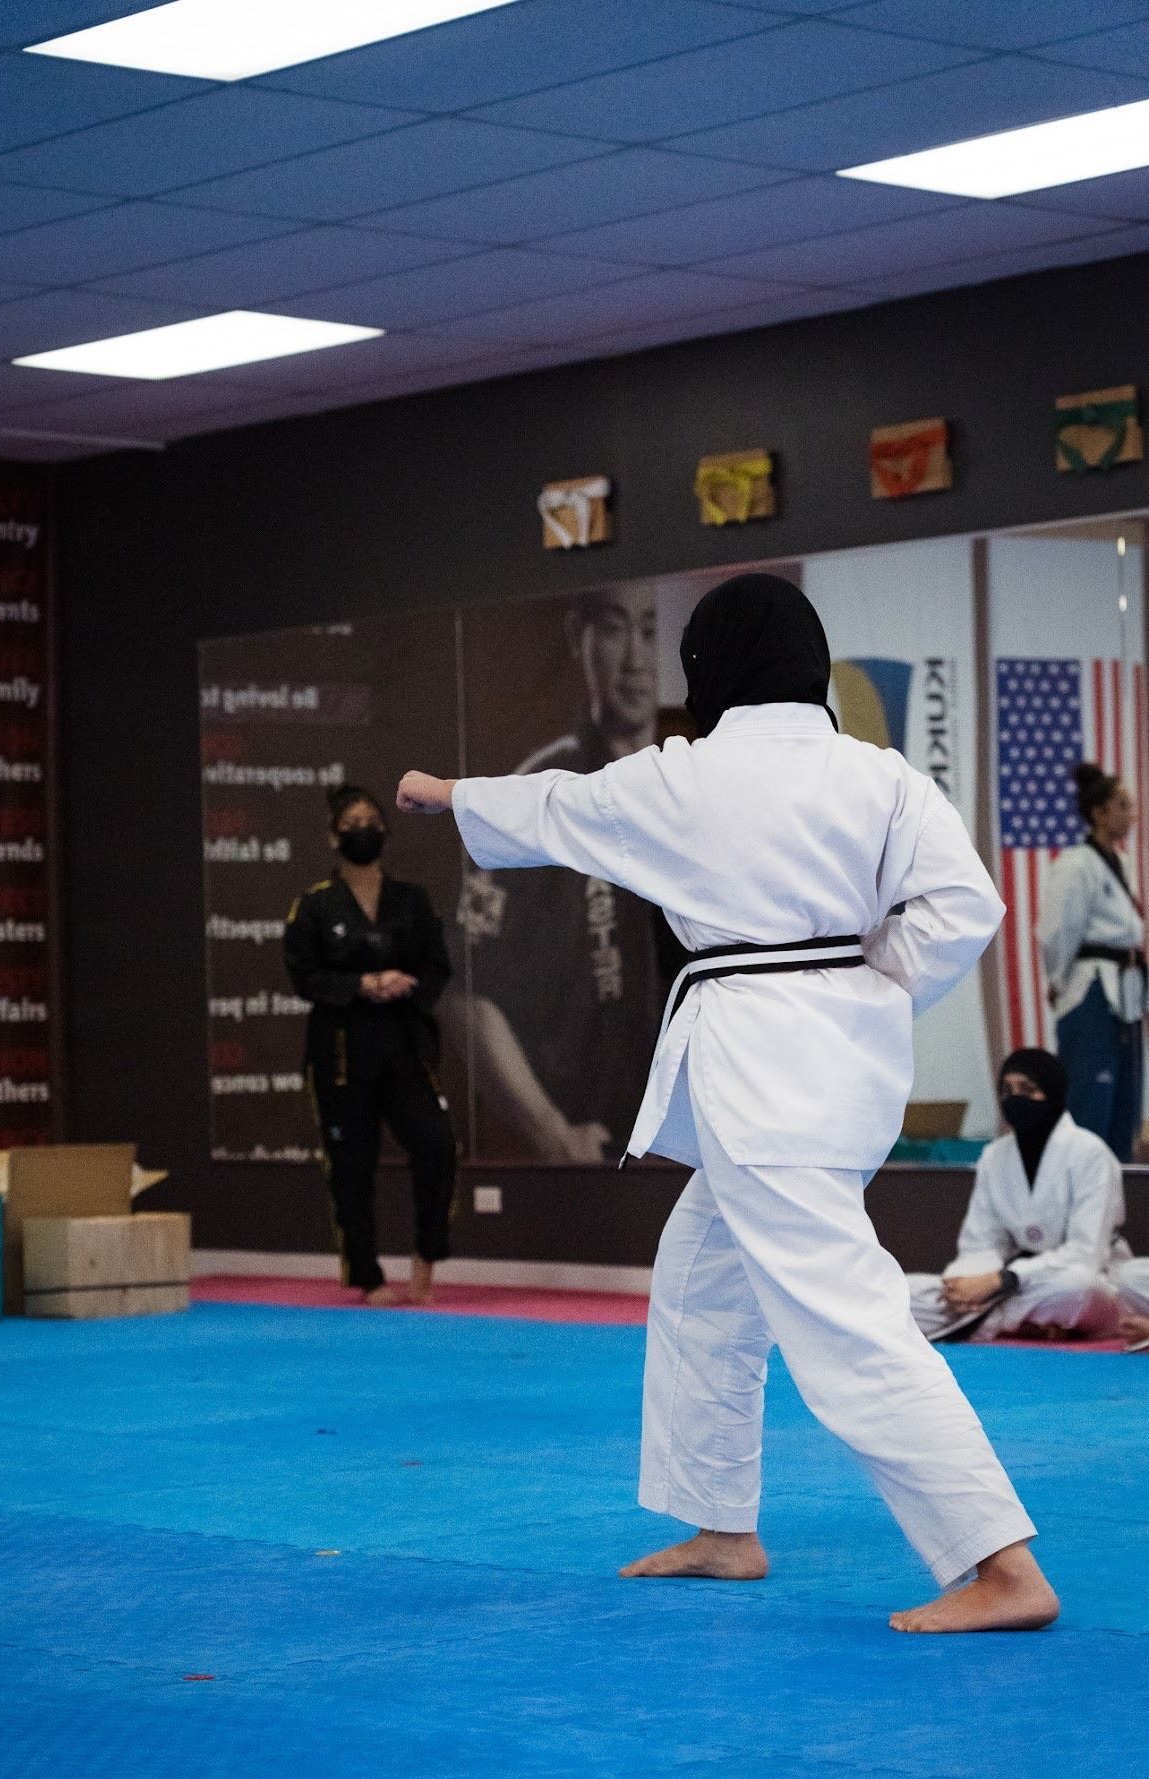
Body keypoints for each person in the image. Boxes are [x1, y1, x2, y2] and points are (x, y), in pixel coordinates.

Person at [397, 572, 1057, 1636]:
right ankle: (720, 1525)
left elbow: (565, 806)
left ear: (709, 671)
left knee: (844, 1319)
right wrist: (872, 978)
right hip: (841, 1062)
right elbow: (964, 908)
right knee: (704, 1283)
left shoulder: (686, 775)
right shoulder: (877, 774)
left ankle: (999, 1560)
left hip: (760, 1071)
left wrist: (448, 792)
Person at [455, 585, 667, 1162]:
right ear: (580, 639)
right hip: (592, 1151)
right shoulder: (541, 791)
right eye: (615, 629)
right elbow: (467, 993)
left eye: (649, 630)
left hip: (685, 1144)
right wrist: (551, 1133)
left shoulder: (690, 784)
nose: (636, 659)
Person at [284, 785, 456, 1307]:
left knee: (436, 1147)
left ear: (385, 831)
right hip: (341, 1052)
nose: (363, 828)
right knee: (351, 1164)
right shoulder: (314, 905)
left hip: (403, 1045)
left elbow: (437, 967)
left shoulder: (411, 900)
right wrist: (361, 985)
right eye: (352, 821)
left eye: (371, 819)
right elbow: (304, 974)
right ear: (334, 837)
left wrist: (406, 985)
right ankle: (368, 1275)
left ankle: (426, 1260)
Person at [908, 1048, 1126, 1344]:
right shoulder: (995, 1156)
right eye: (1007, 1091)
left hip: (1080, 1280)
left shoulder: (1090, 1153)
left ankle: (992, 1321)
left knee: (1079, 1288)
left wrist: (1005, 1281)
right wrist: (967, 1284)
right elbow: (980, 1243)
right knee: (908, 1292)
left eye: (1028, 1090)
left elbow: (1085, 1255)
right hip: (1012, 1288)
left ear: (1053, 1093)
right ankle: (1021, 1322)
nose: (1016, 1099)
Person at [1039, 763, 1146, 1161]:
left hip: (1126, 989)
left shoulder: (1124, 864)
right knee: (1090, 1102)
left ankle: (1113, 1211)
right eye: (1122, 805)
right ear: (1098, 812)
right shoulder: (1076, 863)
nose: (1131, 814)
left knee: (1126, 1106)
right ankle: (1078, 1206)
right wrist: (1057, 979)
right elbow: (1056, 930)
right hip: (1092, 988)